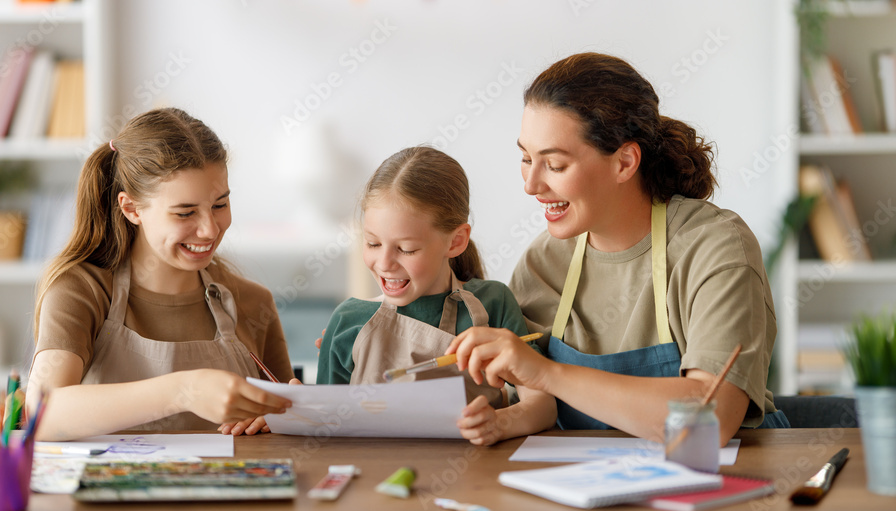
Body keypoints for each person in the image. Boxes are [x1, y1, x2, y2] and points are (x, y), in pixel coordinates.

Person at [446, 52, 790, 446]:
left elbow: (710, 420)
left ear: (624, 162)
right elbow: (527, 403)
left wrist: (547, 373)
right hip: (577, 492)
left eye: (555, 165)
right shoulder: (543, 264)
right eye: (526, 159)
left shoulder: (714, 247)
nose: (531, 184)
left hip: (714, 488)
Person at [27, 108, 295, 441]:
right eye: (185, 212)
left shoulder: (253, 303)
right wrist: (183, 390)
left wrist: (283, 417)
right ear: (131, 209)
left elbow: (290, 422)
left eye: (220, 204)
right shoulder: (82, 290)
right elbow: (43, 414)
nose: (210, 229)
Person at [317, 146, 556, 445]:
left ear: (455, 242)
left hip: (475, 482)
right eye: (373, 243)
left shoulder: (492, 303)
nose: (385, 263)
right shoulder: (347, 322)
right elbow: (327, 432)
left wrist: (499, 422)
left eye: (406, 249)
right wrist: (300, 409)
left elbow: (544, 406)